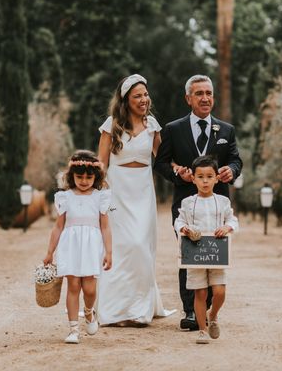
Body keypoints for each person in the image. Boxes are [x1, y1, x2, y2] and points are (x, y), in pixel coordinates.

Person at [154, 74, 242, 331]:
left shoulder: (226, 130)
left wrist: (231, 171)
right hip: (186, 205)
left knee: (213, 256)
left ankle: (209, 309)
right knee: (189, 255)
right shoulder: (173, 129)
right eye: (199, 93)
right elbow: (159, 163)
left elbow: (236, 159)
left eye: (209, 93)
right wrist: (176, 173)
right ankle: (191, 311)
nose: (205, 98)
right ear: (188, 98)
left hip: (217, 206)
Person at [97, 74, 174, 325]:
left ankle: (139, 308)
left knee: (141, 246)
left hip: (142, 189)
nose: (144, 99)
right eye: (137, 96)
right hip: (117, 188)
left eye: (145, 94)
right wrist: (101, 188)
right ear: (125, 100)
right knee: (121, 247)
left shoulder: (152, 125)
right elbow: (101, 163)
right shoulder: (111, 125)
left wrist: (183, 171)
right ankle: (116, 309)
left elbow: (162, 159)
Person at [43, 150, 113, 344]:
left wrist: (109, 251)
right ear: (71, 176)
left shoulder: (100, 197)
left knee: (90, 289)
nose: (84, 181)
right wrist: (50, 252)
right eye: (79, 177)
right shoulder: (65, 197)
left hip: (91, 246)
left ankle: (89, 312)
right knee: (73, 286)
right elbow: (58, 227)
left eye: (89, 177)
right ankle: (73, 329)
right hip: (70, 245)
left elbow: (105, 227)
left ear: (96, 176)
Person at [174, 155, 238, 344]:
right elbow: (179, 221)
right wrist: (183, 229)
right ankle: (202, 330)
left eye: (209, 176)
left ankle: (213, 314)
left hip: (217, 252)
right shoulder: (187, 203)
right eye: (200, 177)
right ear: (193, 178)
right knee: (200, 293)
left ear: (217, 178)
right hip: (195, 253)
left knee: (219, 292)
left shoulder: (223, 201)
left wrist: (227, 227)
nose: (205, 181)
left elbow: (232, 219)